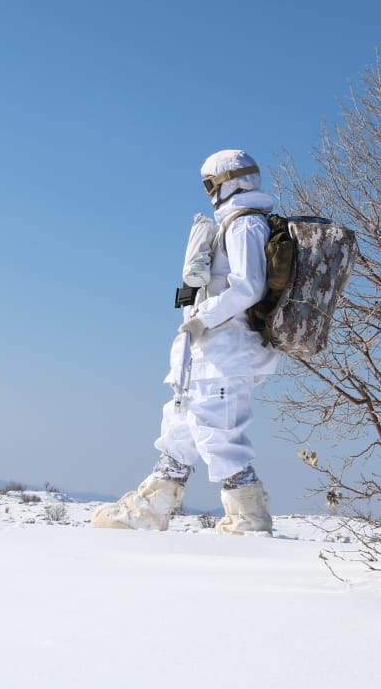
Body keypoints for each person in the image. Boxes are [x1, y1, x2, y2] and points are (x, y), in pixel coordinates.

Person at [91, 149, 278, 533]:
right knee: (179, 426)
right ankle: (151, 509)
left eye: (211, 183)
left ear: (231, 181)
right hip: (207, 351)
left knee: (219, 434)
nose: (208, 192)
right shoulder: (230, 223)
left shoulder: (246, 225)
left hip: (228, 351)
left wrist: (201, 319)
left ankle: (249, 519)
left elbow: (249, 286)